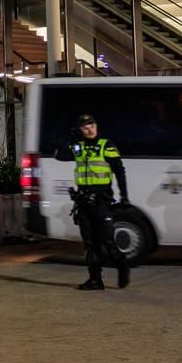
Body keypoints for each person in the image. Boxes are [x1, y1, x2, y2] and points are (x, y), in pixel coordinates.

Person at [58, 113, 130, 290]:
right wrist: (70, 139)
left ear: (96, 126)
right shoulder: (78, 147)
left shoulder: (106, 145)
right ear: (80, 129)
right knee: (89, 243)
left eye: (92, 126)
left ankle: (122, 265)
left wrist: (124, 196)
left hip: (101, 201)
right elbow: (60, 155)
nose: (89, 129)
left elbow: (119, 170)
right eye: (85, 127)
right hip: (83, 201)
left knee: (107, 241)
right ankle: (95, 279)